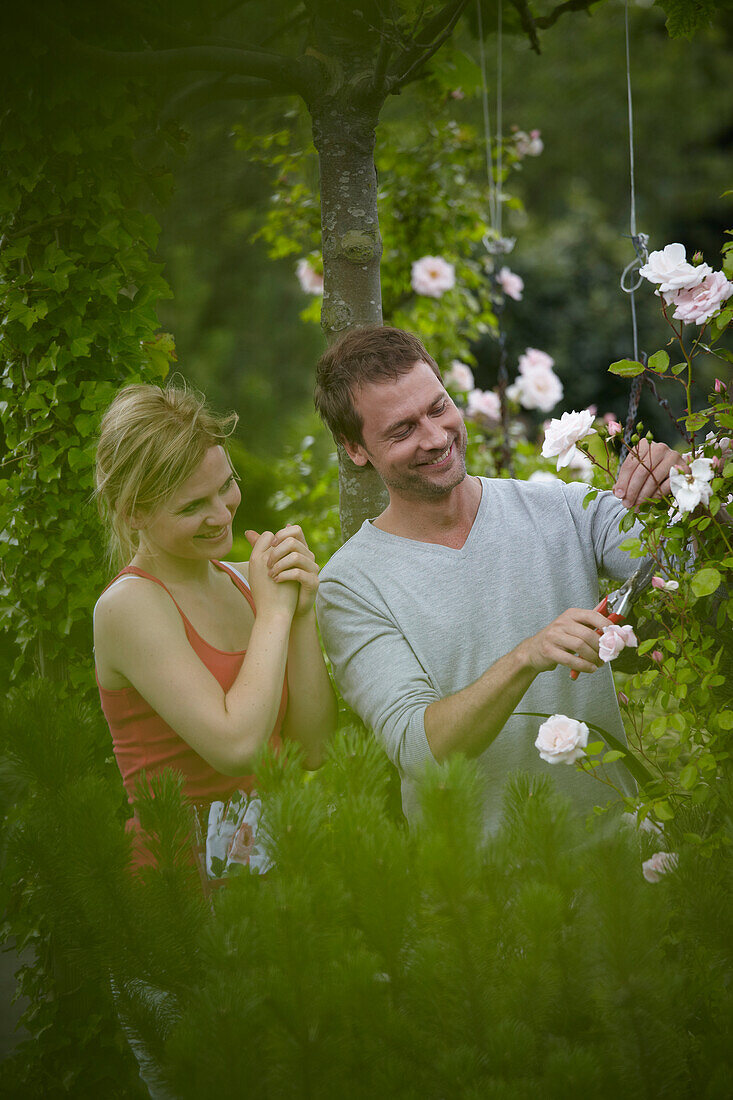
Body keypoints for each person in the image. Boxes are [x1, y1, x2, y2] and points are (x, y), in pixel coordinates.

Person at [314, 325, 682, 831]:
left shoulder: (566, 510)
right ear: (355, 448)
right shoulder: (350, 585)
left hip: (621, 872)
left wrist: (688, 494)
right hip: (476, 896)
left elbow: (700, 583)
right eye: (401, 431)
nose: (435, 437)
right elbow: (420, 751)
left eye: (439, 408)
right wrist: (525, 658)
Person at [94, 382, 337, 878]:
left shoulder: (248, 583)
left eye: (225, 485)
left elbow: (312, 750)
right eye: (191, 506)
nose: (221, 513)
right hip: (182, 893)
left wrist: (301, 612)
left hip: (271, 878)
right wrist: (273, 615)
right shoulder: (130, 606)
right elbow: (236, 749)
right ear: (134, 512)